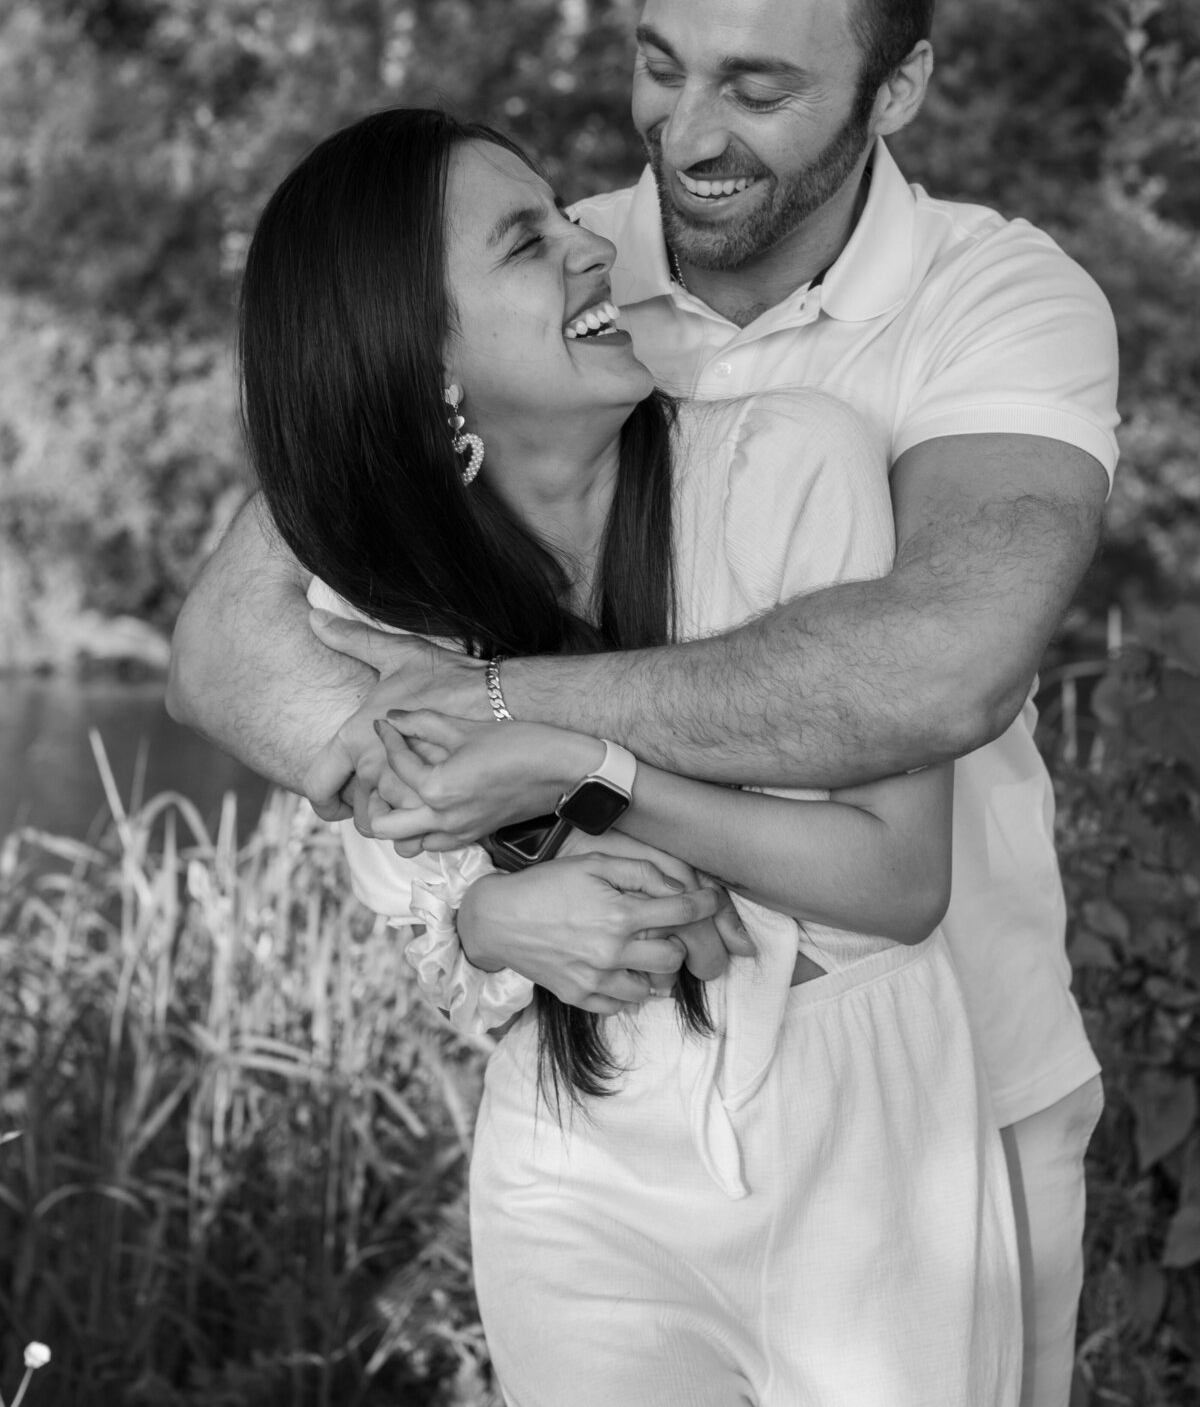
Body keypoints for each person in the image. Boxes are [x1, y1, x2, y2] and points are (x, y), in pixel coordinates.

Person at [169, 0, 1119, 1407]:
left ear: (896, 91)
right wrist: (479, 893)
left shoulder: (998, 301)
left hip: (955, 1073)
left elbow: (939, 665)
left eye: (757, 88)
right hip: (611, 1104)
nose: (686, 136)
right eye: (660, 64)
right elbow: (230, 642)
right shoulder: (561, 264)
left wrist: (518, 732)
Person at [233, 102, 1019, 1405]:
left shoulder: (793, 467)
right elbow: (410, 895)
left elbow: (898, 878)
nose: (595, 248)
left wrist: (594, 773)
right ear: (426, 358)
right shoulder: (379, 609)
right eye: (527, 244)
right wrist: (491, 917)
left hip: (861, 1146)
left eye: (566, 218)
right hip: (569, 1164)